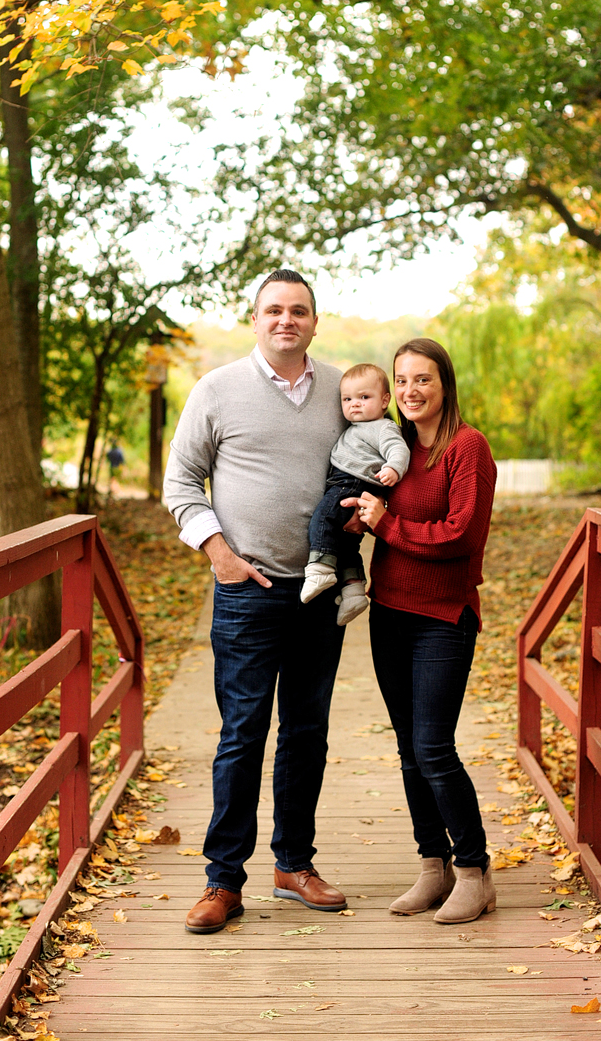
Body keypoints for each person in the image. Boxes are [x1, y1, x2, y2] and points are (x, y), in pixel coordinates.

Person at [163, 269, 352, 934]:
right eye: (273, 310)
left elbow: (371, 462)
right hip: (248, 592)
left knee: (307, 732)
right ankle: (224, 881)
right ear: (254, 319)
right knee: (243, 734)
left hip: (320, 592)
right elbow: (180, 482)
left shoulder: (340, 390)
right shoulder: (216, 390)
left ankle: (293, 865)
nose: (286, 320)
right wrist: (219, 553)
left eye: (298, 311)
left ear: (314, 322)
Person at [342, 337, 497, 924]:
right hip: (390, 614)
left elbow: (462, 535)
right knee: (410, 750)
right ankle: (432, 868)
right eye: (401, 380)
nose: (410, 391)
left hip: (444, 618)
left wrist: (388, 526)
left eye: (422, 379)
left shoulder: (466, 446)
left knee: (434, 746)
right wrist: (355, 517)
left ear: (444, 383)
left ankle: (473, 872)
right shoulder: (396, 447)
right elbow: (369, 507)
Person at [301, 363, 410, 626]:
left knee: (323, 519)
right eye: (347, 399)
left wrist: (393, 468)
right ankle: (353, 590)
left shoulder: (383, 427)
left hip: (351, 483)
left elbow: (398, 449)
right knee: (347, 545)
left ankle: (321, 568)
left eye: (364, 397)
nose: (355, 405)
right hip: (348, 483)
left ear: (385, 400)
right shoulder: (355, 427)